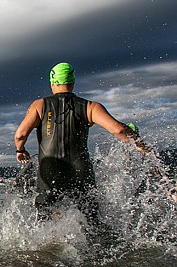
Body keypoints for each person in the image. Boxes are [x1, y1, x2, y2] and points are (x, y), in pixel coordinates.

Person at [14, 62, 146, 239]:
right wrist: (136, 142)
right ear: (73, 81)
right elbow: (119, 130)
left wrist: (20, 150)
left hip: (49, 169)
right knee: (91, 218)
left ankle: (47, 256)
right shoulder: (90, 106)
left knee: (44, 218)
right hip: (80, 169)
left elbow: (20, 135)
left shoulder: (40, 105)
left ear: (52, 82)